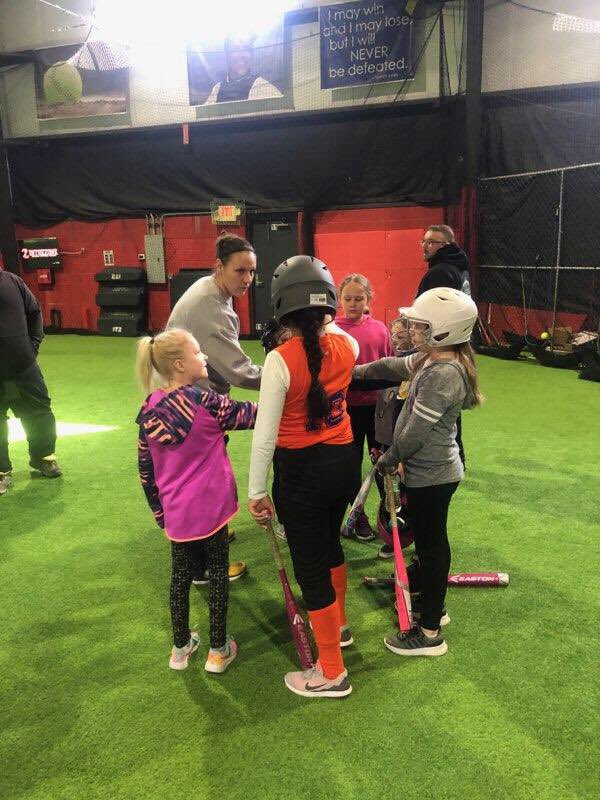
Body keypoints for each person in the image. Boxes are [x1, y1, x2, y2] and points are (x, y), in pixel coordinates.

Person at [248, 255, 359, 699]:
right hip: (344, 463)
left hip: (302, 474)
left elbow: (264, 435)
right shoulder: (347, 344)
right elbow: (328, 335)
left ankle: (331, 670)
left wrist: (256, 491)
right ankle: (341, 625)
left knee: (310, 569)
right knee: (330, 545)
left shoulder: (279, 359)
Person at [353, 287, 482, 657]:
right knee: (429, 543)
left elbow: (414, 434)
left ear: (443, 331)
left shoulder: (443, 373)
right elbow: (392, 367)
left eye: (421, 327)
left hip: (433, 477)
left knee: (431, 545)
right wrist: (353, 373)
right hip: (430, 474)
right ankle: (433, 607)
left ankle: (428, 634)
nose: (412, 331)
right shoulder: (432, 360)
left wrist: (388, 459)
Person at [135, 329, 257, 673]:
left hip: (177, 513)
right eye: (198, 352)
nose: (204, 357)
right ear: (179, 364)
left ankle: (180, 648)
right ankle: (218, 650)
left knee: (180, 576)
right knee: (217, 572)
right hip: (213, 508)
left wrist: (161, 516)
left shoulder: (149, 409)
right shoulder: (207, 402)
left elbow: (145, 470)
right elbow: (250, 413)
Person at [167, 232, 262, 582]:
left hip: (193, 398)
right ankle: (203, 567)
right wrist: (284, 379)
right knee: (202, 481)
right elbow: (238, 371)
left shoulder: (217, 292)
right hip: (192, 405)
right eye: (240, 271)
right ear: (219, 267)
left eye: (252, 272)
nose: (248, 279)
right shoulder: (209, 303)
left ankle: (209, 537)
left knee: (203, 476)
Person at [336, 274, 393, 541]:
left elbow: (390, 366)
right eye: (347, 298)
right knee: (350, 465)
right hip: (346, 411)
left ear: (368, 299)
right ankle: (357, 516)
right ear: (339, 299)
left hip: (379, 410)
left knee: (383, 462)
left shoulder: (380, 329)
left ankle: (391, 517)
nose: (353, 303)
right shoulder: (333, 330)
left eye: (359, 298)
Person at [0, 267, 61, 495]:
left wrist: (32, 345)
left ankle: (43, 458)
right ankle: (1, 471)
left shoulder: (13, 281)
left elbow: (34, 312)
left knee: (40, 414)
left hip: (24, 366)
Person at [204, 35, 283, 105]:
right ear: (226, 55)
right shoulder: (217, 89)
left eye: (247, 49)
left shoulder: (262, 87)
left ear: (252, 54)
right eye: (235, 49)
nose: (242, 55)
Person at [417, 225, 471, 298]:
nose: (424, 246)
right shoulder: (460, 267)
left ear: (445, 245)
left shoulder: (440, 272)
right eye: (423, 241)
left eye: (430, 242)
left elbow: (433, 307)